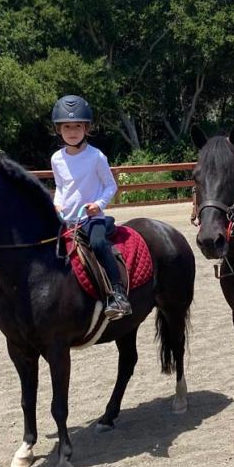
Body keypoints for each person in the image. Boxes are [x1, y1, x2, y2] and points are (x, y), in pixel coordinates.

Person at [50, 94, 132, 318]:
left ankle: (117, 294)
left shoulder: (96, 157)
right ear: (59, 129)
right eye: (67, 126)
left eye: (77, 126)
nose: (72, 131)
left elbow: (110, 185)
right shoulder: (56, 159)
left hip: (91, 219)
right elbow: (60, 186)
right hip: (66, 219)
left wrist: (98, 204)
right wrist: (56, 204)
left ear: (86, 128)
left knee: (97, 243)